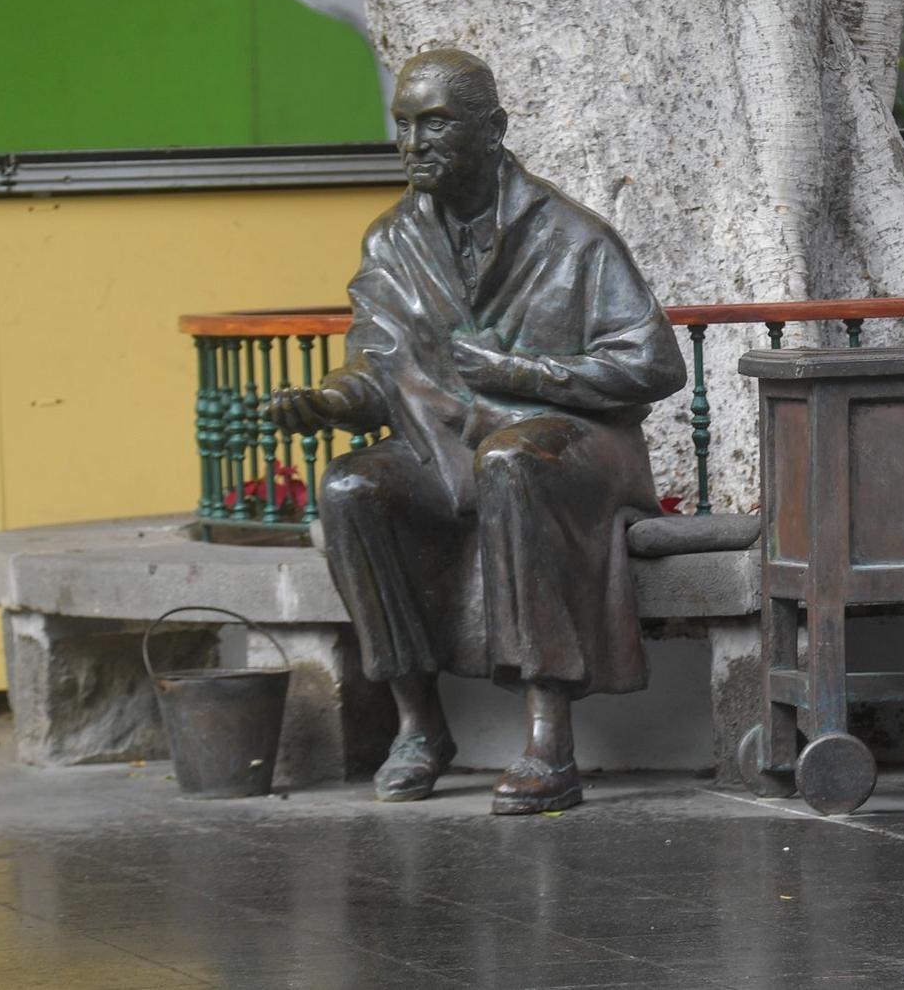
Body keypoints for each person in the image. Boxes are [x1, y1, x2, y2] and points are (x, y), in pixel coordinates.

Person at [268, 48, 686, 814]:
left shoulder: (570, 235)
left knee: (512, 465)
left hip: (573, 446)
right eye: (402, 126)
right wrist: (333, 403)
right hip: (445, 448)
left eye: (435, 125)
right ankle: (419, 725)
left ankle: (547, 740)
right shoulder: (393, 241)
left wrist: (525, 378)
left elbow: (654, 364)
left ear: (493, 130)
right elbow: (376, 360)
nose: (413, 144)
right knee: (352, 486)